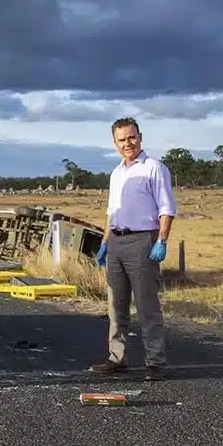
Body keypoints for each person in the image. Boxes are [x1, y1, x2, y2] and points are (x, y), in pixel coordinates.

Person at [87, 117, 175, 380]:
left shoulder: (154, 168)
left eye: (132, 137)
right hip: (116, 240)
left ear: (140, 137)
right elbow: (111, 212)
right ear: (115, 143)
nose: (128, 143)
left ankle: (155, 362)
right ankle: (117, 357)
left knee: (147, 305)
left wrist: (162, 241)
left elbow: (167, 208)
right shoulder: (117, 173)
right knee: (116, 305)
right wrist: (105, 242)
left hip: (142, 241)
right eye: (122, 140)